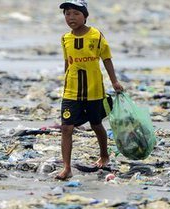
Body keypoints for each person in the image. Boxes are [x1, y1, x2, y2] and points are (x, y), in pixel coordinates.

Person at [56, 0, 124, 180]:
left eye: (76, 13)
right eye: (68, 13)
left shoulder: (96, 35)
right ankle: (66, 168)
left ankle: (104, 155)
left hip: (94, 90)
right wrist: (64, 81)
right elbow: (67, 62)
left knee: (96, 125)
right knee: (66, 128)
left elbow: (106, 59)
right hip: (71, 91)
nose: (71, 17)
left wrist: (115, 82)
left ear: (85, 16)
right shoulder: (65, 38)